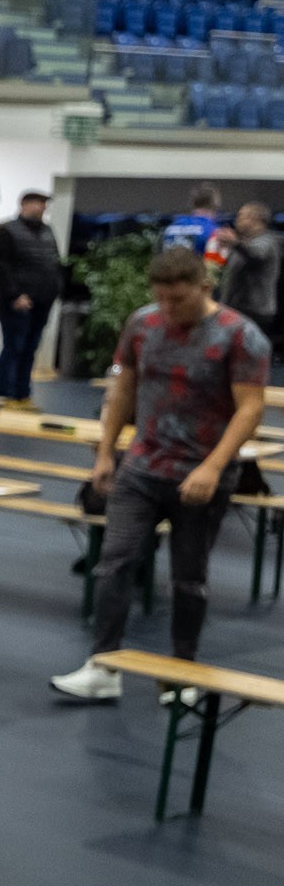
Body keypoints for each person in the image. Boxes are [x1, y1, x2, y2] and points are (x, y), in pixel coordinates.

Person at [52, 243, 271, 700]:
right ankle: (103, 665)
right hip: (142, 466)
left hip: (201, 474)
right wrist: (106, 453)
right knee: (114, 563)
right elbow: (123, 390)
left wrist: (213, 467)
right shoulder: (143, 324)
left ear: (204, 287)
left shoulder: (240, 335)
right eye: (162, 298)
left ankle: (181, 673)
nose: (169, 308)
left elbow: (250, 409)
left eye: (180, 299)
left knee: (189, 578)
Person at [0, 189, 65, 403]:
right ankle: (5, 392)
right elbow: (2, 267)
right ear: (24, 204)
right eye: (39, 203)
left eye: (44, 204)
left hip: (43, 300)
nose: (43, 208)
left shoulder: (47, 231)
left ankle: (22, 392)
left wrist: (55, 289)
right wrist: (15, 295)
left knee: (31, 348)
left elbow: (54, 262)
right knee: (14, 346)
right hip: (17, 302)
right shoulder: (7, 231)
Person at [216, 199, 279, 347]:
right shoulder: (244, 243)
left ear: (254, 220)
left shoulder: (266, 242)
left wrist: (235, 243)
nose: (237, 220)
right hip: (237, 309)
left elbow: (257, 254)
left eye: (241, 216)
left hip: (254, 312)